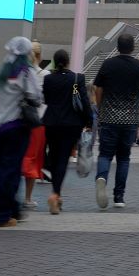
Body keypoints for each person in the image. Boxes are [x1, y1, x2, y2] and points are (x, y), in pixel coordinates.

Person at [0, 37, 43, 228]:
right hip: (16, 126)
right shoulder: (24, 70)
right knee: (10, 173)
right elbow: (36, 95)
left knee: (6, 170)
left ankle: (13, 209)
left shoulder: (4, 70)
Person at [93, 33, 139, 209]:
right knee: (124, 158)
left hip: (109, 117)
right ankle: (119, 196)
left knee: (105, 154)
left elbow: (97, 88)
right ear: (132, 47)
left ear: (117, 47)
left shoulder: (108, 64)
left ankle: (101, 177)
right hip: (130, 119)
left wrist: (101, 107)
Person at [42, 48, 92, 214]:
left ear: (54, 62)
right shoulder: (76, 80)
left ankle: (57, 195)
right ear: (68, 62)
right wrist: (89, 121)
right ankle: (55, 194)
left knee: (54, 156)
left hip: (51, 123)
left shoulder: (48, 79)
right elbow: (83, 101)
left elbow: (46, 99)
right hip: (71, 125)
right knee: (63, 159)